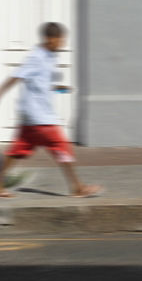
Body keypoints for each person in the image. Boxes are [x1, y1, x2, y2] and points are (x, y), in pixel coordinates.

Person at [0, 22, 101, 198]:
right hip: (39, 116)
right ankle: (77, 187)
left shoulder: (49, 56)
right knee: (61, 147)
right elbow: (17, 75)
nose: (62, 43)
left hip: (34, 117)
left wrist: (59, 87)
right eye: (60, 39)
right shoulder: (37, 57)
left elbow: (42, 81)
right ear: (50, 39)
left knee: (16, 151)